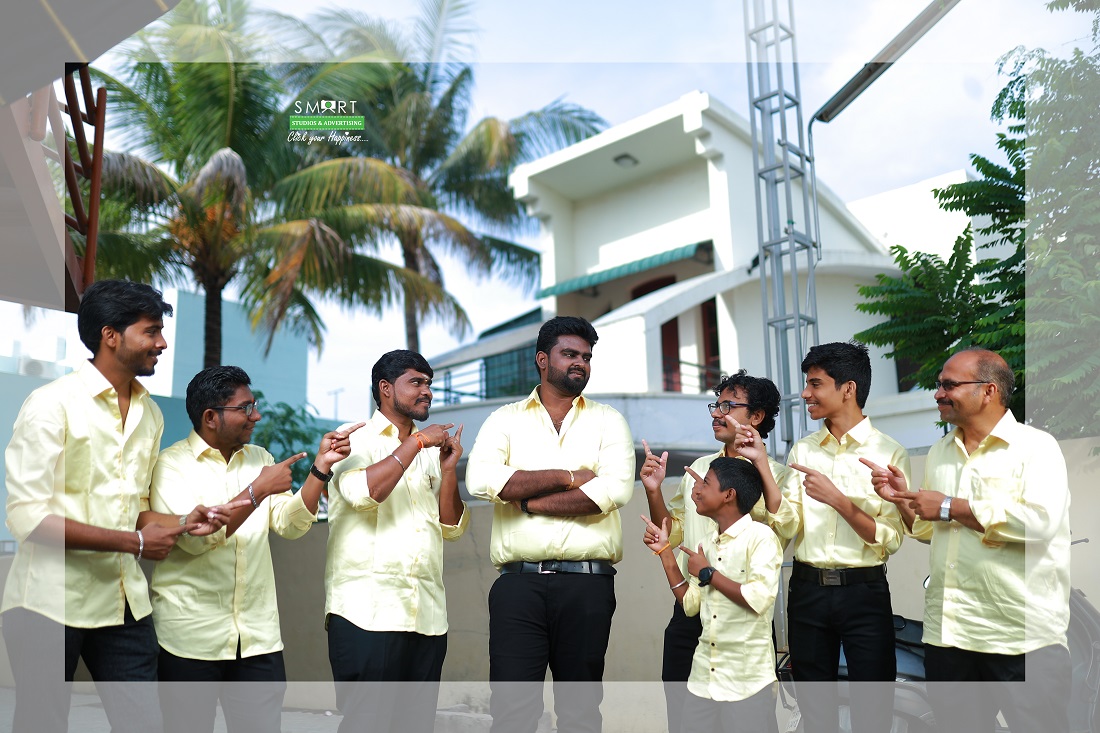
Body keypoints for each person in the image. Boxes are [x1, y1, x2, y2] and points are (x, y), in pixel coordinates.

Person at [1, 279, 238, 733]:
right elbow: (27, 518)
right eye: (151, 331)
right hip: (47, 603)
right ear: (110, 335)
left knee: (145, 724)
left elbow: (137, 507)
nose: (162, 343)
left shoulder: (151, 414)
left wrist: (183, 521)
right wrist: (135, 542)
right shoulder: (51, 405)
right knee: (41, 725)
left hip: (123, 604)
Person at [865, 348, 1071, 733]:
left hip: (1021, 637)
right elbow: (930, 530)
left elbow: (1039, 523)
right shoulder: (941, 451)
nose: (938, 393)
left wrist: (948, 505)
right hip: (950, 636)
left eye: (949, 385)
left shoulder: (1036, 447)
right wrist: (902, 499)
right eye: (938, 384)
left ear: (989, 390)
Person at [149, 365, 362, 733]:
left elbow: (289, 524)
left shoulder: (260, 459)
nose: (256, 416)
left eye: (255, 405)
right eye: (245, 408)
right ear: (211, 417)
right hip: (189, 637)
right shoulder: (171, 466)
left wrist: (320, 468)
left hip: (257, 639)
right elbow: (196, 540)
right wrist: (256, 491)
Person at [465, 315, 636, 733]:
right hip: (518, 586)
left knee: (580, 714)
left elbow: (613, 491)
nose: (580, 363)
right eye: (570, 354)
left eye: (586, 357)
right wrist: (568, 476)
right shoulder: (504, 420)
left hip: (588, 585)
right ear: (543, 359)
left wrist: (526, 501)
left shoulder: (608, 420)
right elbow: (481, 480)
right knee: (512, 712)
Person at [767, 341, 909, 733]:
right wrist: (762, 467)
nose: (805, 393)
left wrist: (840, 501)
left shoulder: (889, 453)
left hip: (865, 593)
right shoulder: (803, 451)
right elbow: (787, 526)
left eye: (815, 383)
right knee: (815, 712)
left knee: (873, 709)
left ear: (848, 389)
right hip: (807, 591)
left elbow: (890, 539)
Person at [325, 349, 468, 733]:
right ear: (386, 388)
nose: (427, 391)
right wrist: (416, 443)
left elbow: (452, 527)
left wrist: (448, 472)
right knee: (367, 725)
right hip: (366, 614)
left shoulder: (429, 450)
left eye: (429, 383)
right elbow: (363, 494)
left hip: (427, 617)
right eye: (416, 382)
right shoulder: (353, 437)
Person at [639, 370, 789, 733]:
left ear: (756, 416)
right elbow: (671, 531)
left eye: (728, 406)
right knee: (684, 719)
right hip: (691, 608)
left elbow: (783, 529)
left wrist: (758, 468)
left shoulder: (777, 475)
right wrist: (654, 490)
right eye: (715, 405)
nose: (716, 414)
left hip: (741, 617)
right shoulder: (700, 468)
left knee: (747, 722)